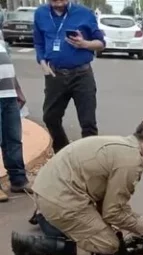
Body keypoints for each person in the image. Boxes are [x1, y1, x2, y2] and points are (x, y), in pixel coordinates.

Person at [10, 113, 143, 255]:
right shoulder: (131, 162)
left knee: (108, 233)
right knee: (110, 247)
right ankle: (33, 247)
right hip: (61, 200)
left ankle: (50, 223)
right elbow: (113, 212)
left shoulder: (123, 146)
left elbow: (108, 202)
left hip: (50, 191)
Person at [33, 0, 105, 153]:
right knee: (50, 117)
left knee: (88, 123)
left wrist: (84, 44)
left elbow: (101, 43)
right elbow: (39, 42)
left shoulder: (85, 13)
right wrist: (42, 62)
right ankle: (64, 154)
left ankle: (90, 159)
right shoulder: (40, 14)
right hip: (54, 75)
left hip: (82, 75)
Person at [0, 40, 30, 202]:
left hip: (8, 95)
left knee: (13, 139)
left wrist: (17, 89)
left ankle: (18, 180)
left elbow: (8, 65)